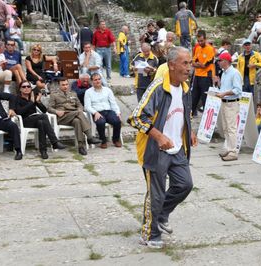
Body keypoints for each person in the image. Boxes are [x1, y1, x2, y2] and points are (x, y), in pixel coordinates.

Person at [128, 46, 197, 249]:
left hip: (177, 148)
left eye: (190, 63)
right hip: (156, 150)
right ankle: (150, 234)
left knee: (185, 184)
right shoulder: (158, 87)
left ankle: (161, 214)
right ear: (172, 65)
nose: (189, 68)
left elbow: (185, 113)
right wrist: (158, 136)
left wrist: (189, 131)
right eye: (185, 63)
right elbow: (136, 117)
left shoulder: (185, 88)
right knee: (155, 194)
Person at [48, 78, 100, 155]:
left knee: (77, 121)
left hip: (74, 115)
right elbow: (49, 108)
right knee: (79, 113)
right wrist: (56, 111)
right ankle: (89, 137)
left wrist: (79, 109)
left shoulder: (73, 93)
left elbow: (79, 105)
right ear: (59, 85)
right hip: (63, 117)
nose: (65, 86)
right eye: (63, 85)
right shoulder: (54, 95)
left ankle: (81, 146)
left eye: (66, 84)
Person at [15, 80, 66, 159]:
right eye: (24, 87)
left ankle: (43, 151)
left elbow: (44, 110)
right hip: (25, 121)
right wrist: (32, 102)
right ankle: (54, 142)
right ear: (20, 89)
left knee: (41, 122)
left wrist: (38, 102)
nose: (26, 88)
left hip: (36, 120)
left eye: (28, 86)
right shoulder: (17, 99)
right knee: (43, 117)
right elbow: (19, 112)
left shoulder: (33, 98)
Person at [214, 52, 242, 161]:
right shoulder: (224, 73)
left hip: (231, 103)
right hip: (225, 101)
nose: (219, 63)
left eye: (220, 61)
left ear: (225, 61)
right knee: (226, 127)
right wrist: (218, 86)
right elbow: (226, 87)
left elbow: (237, 90)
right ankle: (228, 148)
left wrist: (224, 93)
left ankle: (233, 151)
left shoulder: (234, 73)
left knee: (231, 128)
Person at [84, 73, 122, 149]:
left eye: (99, 79)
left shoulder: (107, 90)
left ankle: (116, 140)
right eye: (95, 80)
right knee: (101, 122)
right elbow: (87, 106)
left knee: (117, 121)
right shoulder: (88, 92)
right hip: (97, 112)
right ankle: (103, 141)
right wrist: (95, 112)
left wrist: (118, 112)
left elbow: (113, 103)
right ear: (92, 81)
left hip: (108, 111)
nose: (97, 81)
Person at [191, 30, 215, 116]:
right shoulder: (197, 48)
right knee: (194, 96)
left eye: (201, 40)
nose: (200, 42)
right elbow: (193, 62)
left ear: (205, 39)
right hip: (197, 75)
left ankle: (207, 117)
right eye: (198, 41)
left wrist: (197, 64)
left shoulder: (210, 49)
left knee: (206, 98)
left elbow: (205, 65)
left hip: (206, 76)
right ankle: (191, 115)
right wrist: (198, 64)